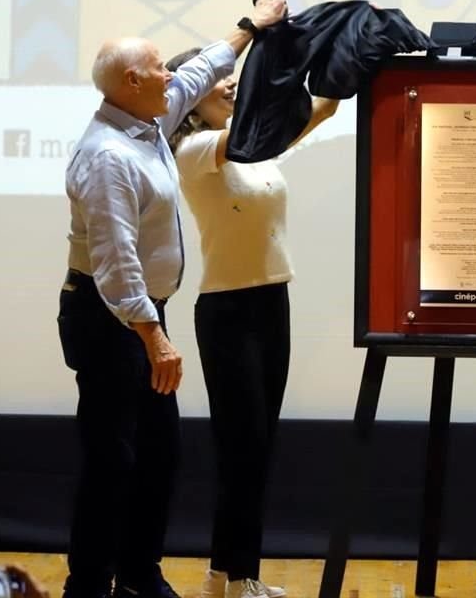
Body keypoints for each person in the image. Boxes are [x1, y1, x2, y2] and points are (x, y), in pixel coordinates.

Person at [56, 0, 288, 598]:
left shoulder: (146, 120)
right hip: (110, 319)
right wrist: (154, 337)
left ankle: (138, 577)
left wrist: (254, 24)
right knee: (114, 461)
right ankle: (88, 586)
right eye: (159, 67)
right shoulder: (108, 154)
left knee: (159, 456)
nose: (172, 75)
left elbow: (202, 68)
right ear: (131, 83)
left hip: (137, 317)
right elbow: (115, 262)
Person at [163, 46, 338, 598]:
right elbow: (245, 134)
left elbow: (324, 110)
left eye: (234, 80)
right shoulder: (192, 150)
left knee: (256, 451)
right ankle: (240, 582)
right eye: (221, 82)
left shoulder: (255, 147)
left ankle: (226, 576)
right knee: (242, 449)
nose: (233, 87)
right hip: (228, 311)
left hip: (272, 305)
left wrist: (349, 63)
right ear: (193, 98)